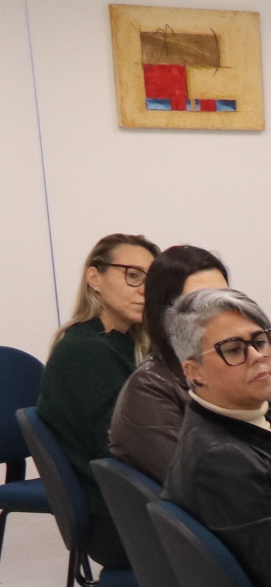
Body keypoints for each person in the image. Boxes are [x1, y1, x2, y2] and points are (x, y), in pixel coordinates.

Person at [159, 288, 271, 587]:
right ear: (194, 371)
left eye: (260, 341)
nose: (256, 356)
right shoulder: (218, 459)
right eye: (233, 349)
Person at [38, 232, 158, 566]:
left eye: (152, 280)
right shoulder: (84, 352)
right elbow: (123, 449)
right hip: (120, 522)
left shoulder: (126, 345)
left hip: (134, 508)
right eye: (132, 275)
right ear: (95, 278)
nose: (144, 289)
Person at [107, 244, 229, 483]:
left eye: (225, 300)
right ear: (165, 314)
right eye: (200, 303)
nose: (220, 314)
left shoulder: (232, 368)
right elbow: (200, 484)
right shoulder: (148, 391)